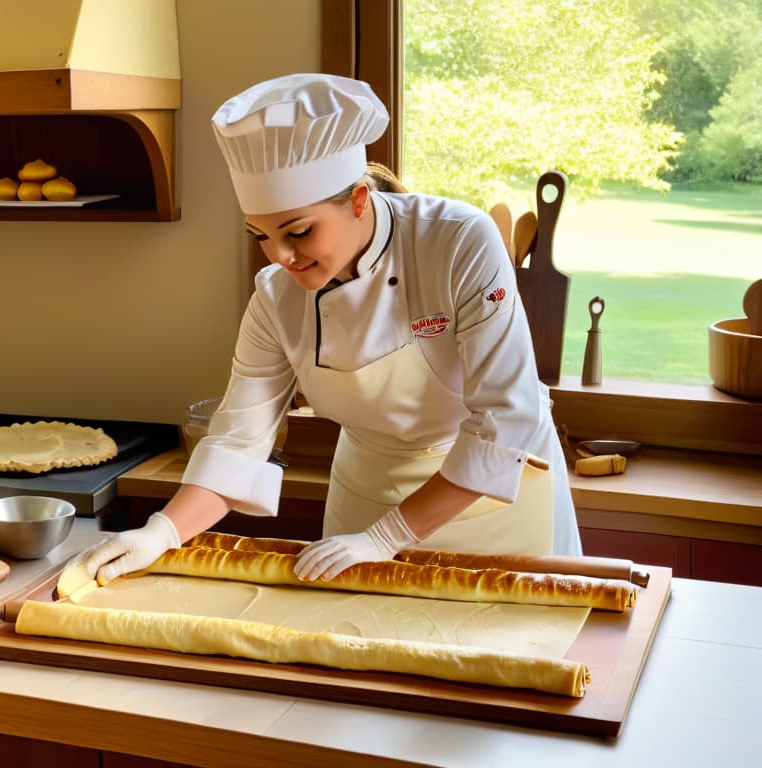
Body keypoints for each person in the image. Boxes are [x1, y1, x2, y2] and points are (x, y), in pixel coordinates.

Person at [76, 73, 582, 585]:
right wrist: (160, 532)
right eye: (261, 237)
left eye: (299, 232)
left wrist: (386, 538)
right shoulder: (274, 298)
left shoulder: (457, 242)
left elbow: (502, 417)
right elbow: (237, 441)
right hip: (368, 496)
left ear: (359, 200)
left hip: (494, 500)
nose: (282, 257)